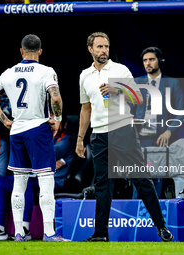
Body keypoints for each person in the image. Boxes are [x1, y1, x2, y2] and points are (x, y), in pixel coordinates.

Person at [76, 32, 173, 242]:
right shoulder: (85, 75)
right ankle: (100, 234)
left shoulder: (120, 70)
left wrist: (117, 88)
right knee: (103, 185)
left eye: (106, 46)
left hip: (123, 130)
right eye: (99, 47)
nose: (104, 50)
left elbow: (138, 98)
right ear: (90, 49)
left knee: (141, 179)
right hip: (99, 136)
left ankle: (161, 227)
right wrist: (80, 139)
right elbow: (85, 109)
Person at [0, 34, 69, 242]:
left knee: (19, 183)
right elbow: (55, 97)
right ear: (40, 51)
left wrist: (5, 120)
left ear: (21, 51)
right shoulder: (46, 71)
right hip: (38, 128)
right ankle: (49, 233)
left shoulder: (9, 72)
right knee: (46, 180)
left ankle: (19, 233)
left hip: (17, 130)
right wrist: (57, 119)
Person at [129, 47, 184, 199]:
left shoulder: (173, 83)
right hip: (140, 138)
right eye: (145, 60)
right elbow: (128, 108)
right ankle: (138, 216)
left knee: (158, 180)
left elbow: (182, 111)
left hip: (162, 138)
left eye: (151, 59)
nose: (148, 63)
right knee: (139, 178)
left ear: (160, 61)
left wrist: (169, 131)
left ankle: (158, 216)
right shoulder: (136, 82)